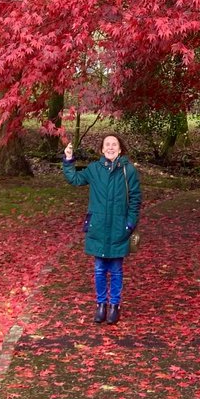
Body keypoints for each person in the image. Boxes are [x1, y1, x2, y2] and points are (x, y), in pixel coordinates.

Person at [62, 134, 141, 324]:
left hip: (118, 227)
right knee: (99, 269)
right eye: (107, 144)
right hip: (98, 227)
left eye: (115, 144)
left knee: (116, 269)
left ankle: (114, 305)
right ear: (102, 149)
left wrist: (129, 224)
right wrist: (68, 160)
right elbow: (75, 179)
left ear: (120, 149)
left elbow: (136, 200)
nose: (111, 147)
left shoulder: (128, 171)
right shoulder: (94, 169)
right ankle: (101, 305)